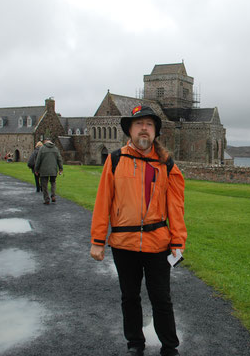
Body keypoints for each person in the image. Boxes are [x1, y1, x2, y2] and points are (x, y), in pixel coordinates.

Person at [90, 105, 186, 356]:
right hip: (124, 243)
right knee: (129, 298)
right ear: (130, 130)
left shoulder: (166, 164)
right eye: (139, 123)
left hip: (158, 243)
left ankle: (170, 347)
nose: (144, 128)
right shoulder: (116, 159)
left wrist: (177, 242)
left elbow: (176, 207)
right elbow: (103, 202)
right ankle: (135, 344)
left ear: (155, 131)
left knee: (161, 299)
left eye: (149, 124)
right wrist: (98, 240)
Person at [34, 137, 63, 205]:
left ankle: (46, 199)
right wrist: (61, 168)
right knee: (53, 182)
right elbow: (59, 159)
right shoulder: (55, 149)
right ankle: (53, 195)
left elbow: (38, 160)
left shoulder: (42, 148)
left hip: (44, 170)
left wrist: (36, 169)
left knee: (44, 185)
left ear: (45, 142)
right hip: (53, 169)